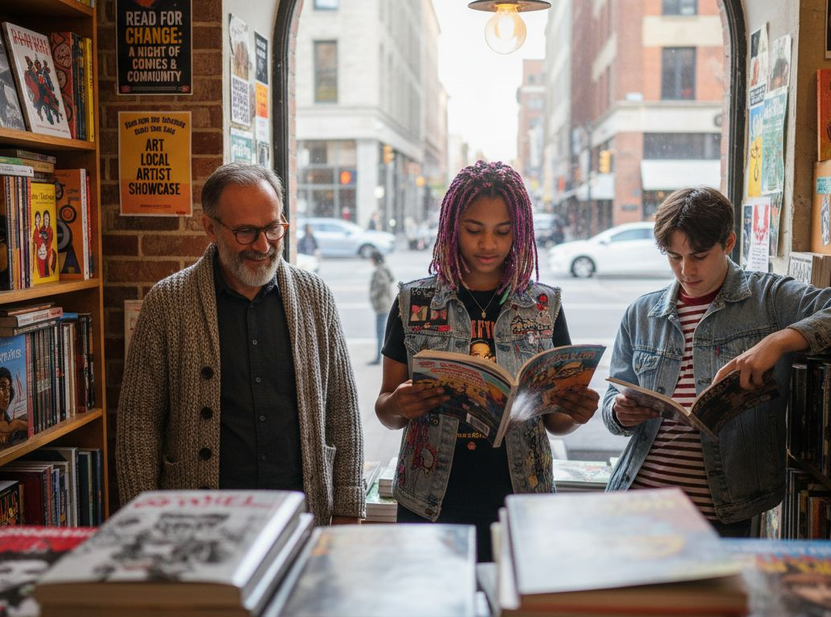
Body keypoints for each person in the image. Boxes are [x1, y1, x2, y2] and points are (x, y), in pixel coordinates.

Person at [601, 187, 831, 536]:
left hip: (722, 512)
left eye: (699, 255)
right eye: (674, 257)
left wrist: (780, 340)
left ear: (729, 242)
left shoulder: (768, 298)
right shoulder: (642, 313)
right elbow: (612, 406)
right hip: (636, 500)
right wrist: (619, 411)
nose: (685, 270)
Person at [374, 160, 600, 562]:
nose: (488, 245)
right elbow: (386, 408)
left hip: (521, 499)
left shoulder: (544, 306)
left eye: (503, 232)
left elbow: (556, 423)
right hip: (430, 500)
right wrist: (397, 405)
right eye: (473, 230)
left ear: (521, 232)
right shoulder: (414, 302)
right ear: (451, 228)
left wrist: (575, 412)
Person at [117, 162, 364, 525]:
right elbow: (138, 424)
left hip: (302, 515)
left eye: (272, 227)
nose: (263, 245)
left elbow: (342, 410)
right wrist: (141, 523)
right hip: (201, 524)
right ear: (210, 227)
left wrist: (347, 509)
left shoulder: (315, 297)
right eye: (246, 232)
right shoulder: (167, 303)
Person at [368, 250, 394, 365]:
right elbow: (391, 279)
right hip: (386, 303)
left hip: (381, 305)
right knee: (382, 331)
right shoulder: (385, 268)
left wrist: (373, 295)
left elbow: (382, 285)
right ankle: (379, 357)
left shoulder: (379, 271)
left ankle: (379, 357)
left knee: (380, 331)